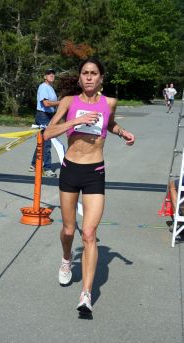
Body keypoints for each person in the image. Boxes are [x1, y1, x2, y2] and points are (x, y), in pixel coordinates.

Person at [43, 57, 135, 315]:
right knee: (70, 231)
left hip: (95, 172)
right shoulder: (69, 102)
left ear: (101, 78)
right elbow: (48, 134)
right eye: (85, 73)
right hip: (71, 170)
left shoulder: (110, 103)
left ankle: (86, 293)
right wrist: (74, 122)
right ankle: (65, 259)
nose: (89, 77)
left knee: (89, 234)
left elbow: (110, 122)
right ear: (80, 77)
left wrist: (122, 132)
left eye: (94, 73)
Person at [29, 68, 60, 177]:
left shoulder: (50, 88)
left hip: (48, 116)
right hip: (43, 116)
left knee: (41, 141)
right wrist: (61, 103)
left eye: (53, 73)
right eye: (49, 74)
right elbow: (46, 104)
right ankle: (47, 168)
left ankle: (33, 164)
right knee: (47, 142)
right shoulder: (43, 87)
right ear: (45, 77)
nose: (51, 75)